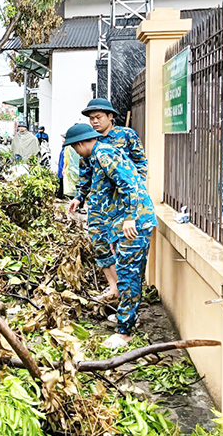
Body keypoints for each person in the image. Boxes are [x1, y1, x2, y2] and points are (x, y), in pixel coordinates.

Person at [63, 123, 155, 348]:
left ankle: (125, 332)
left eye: (75, 148)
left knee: (128, 273)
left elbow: (130, 184)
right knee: (127, 272)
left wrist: (131, 217)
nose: (76, 153)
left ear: (80, 143)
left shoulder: (104, 154)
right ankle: (127, 319)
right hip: (125, 222)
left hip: (135, 223)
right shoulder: (98, 154)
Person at [67, 98, 147, 301]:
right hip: (99, 202)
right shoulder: (87, 139)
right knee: (99, 243)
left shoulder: (125, 135)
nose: (94, 121)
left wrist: (135, 192)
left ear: (110, 116)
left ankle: (127, 294)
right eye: (91, 118)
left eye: (98, 117)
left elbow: (140, 164)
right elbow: (85, 173)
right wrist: (79, 196)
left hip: (123, 201)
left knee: (124, 246)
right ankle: (114, 287)